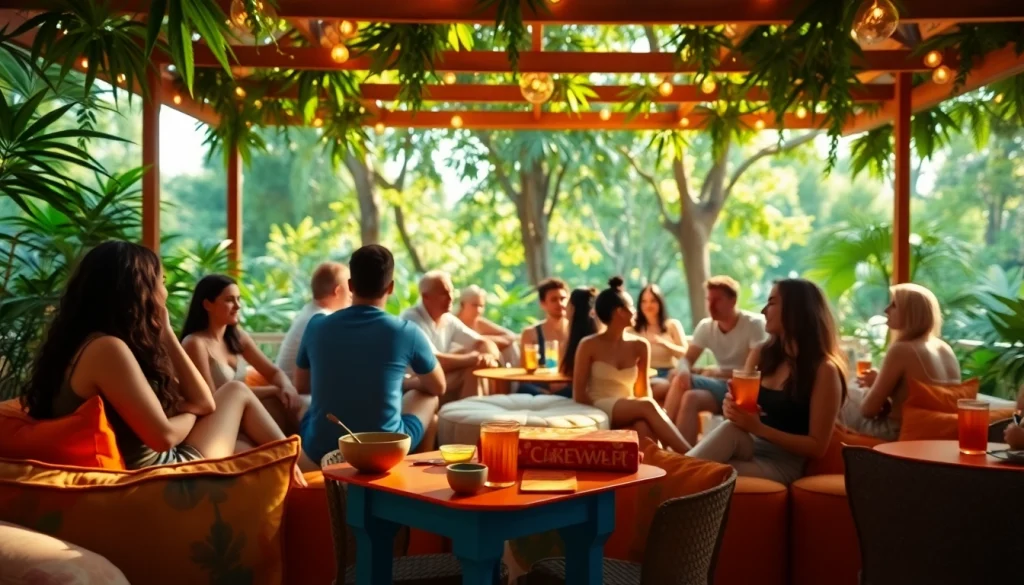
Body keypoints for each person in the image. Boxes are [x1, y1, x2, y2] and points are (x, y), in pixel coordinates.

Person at [20, 241, 302, 483]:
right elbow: (167, 435)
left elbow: (204, 401)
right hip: (161, 472)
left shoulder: (85, 343)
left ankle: (298, 472)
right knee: (237, 392)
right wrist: (192, 412)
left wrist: (165, 332)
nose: (165, 294)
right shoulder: (107, 349)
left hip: (158, 462)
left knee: (245, 447)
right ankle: (300, 470)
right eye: (162, 283)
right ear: (140, 290)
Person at [295, 245, 445, 469]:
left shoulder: (316, 325)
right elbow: (438, 387)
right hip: (384, 450)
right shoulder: (406, 331)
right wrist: (407, 383)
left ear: (351, 286)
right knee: (428, 399)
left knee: (303, 409)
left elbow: (302, 385)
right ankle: (414, 482)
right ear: (391, 287)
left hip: (322, 449)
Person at [688, 279, 846, 485]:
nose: (763, 311)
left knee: (702, 472)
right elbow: (744, 416)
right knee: (728, 428)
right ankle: (672, 470)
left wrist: (758, 428)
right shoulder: (763, 354)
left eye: (771, 302)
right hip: (748, 444)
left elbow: (817, 447)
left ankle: (669, 472)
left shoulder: (824, 370)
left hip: (780, 463)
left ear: (795, 310)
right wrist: (733, 409)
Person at [571, 277, 691, 453]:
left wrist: (637, 413)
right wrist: (603, 417)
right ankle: (693, 455)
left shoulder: (640, 346)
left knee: (643, 427)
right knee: (648, 406)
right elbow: (579, 394)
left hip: (629, 406)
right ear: (619, 312)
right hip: (598, 404)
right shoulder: (588, 345)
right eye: (631, 307)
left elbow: (643, 392)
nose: (635, 311)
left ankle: (663, 472)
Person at [180, 275, 306, 435]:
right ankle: (292, 452)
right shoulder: (195, 343)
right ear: (207, 305)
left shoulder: (238, 338)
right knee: (276, 399)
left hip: (244, 414)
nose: (238, 306)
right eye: (229, 300)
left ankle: (296, 449)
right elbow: (212, 398)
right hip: (217, 420)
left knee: (285, 402)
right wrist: (273, 390)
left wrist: (286, 387)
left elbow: (273, 372)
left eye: (238, 299)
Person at [841, 283, 961, 440]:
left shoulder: (902, 350)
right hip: (942, 436)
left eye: (894, 305)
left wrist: (873, 387)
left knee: (842, 405)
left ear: (911, 313)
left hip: (898, 433)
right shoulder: (945, 349)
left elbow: (868, 410)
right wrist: (882, 384)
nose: (886, 310)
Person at [665, 275, 769, 445]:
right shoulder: (706, 326)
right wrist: (684, 369)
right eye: (709, 300)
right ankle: (685, 456)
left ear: (733, 301)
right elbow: (687, 359)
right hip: (721, 387)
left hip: (743, 390)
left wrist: (716, 372)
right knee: (690, 397)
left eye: (717, 300)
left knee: (679, 380)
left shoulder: (753, 324)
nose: (711, 306)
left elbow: (752, 372)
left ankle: (663, 432)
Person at [400, 271, 500, 404]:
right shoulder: (411, 319)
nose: (450, 298)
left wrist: (488, 357)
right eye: (443, 293)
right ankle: (471, 419)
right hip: (415, 384)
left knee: (476, 367)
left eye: (451, 292)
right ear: (426, 297)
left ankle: (475, 417)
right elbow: (432, 361)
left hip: (438, 380)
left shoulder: (448, 319)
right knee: (472, 366)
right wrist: (472, 359)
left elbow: (483, 342)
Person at [276, 262, 351, 383]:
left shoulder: (309, 311)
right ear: (337, 291)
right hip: (293, 393)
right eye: (349, 291)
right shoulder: (322, 320)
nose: (351, 296)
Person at [630, 284, 687, 400]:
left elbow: (685, 353)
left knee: (673, 384)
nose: (648, 305)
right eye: (644, 301)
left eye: (653, 301)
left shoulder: (672, 325)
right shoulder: (631, 328)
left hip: (668, 374)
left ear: (660, 303)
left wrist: (664, 344)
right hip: (642, 375)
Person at [456, 285, 519, 366]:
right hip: (464, 363)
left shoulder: (479, 323)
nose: (478, 310)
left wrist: (487, 339)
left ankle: (515, 377)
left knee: (510, 347)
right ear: (462, 304)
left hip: (487, 360)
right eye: (474, 305)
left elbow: (511, 336)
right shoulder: (453, 322)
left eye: (481, 306)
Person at [520, 277, 570, 371]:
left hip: (570, 383)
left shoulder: (577, 330)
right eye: (554, 300)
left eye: (563, 299)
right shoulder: (530, 334)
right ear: (543, 304)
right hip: (541, 383)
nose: (560, 303)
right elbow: (524, 371)